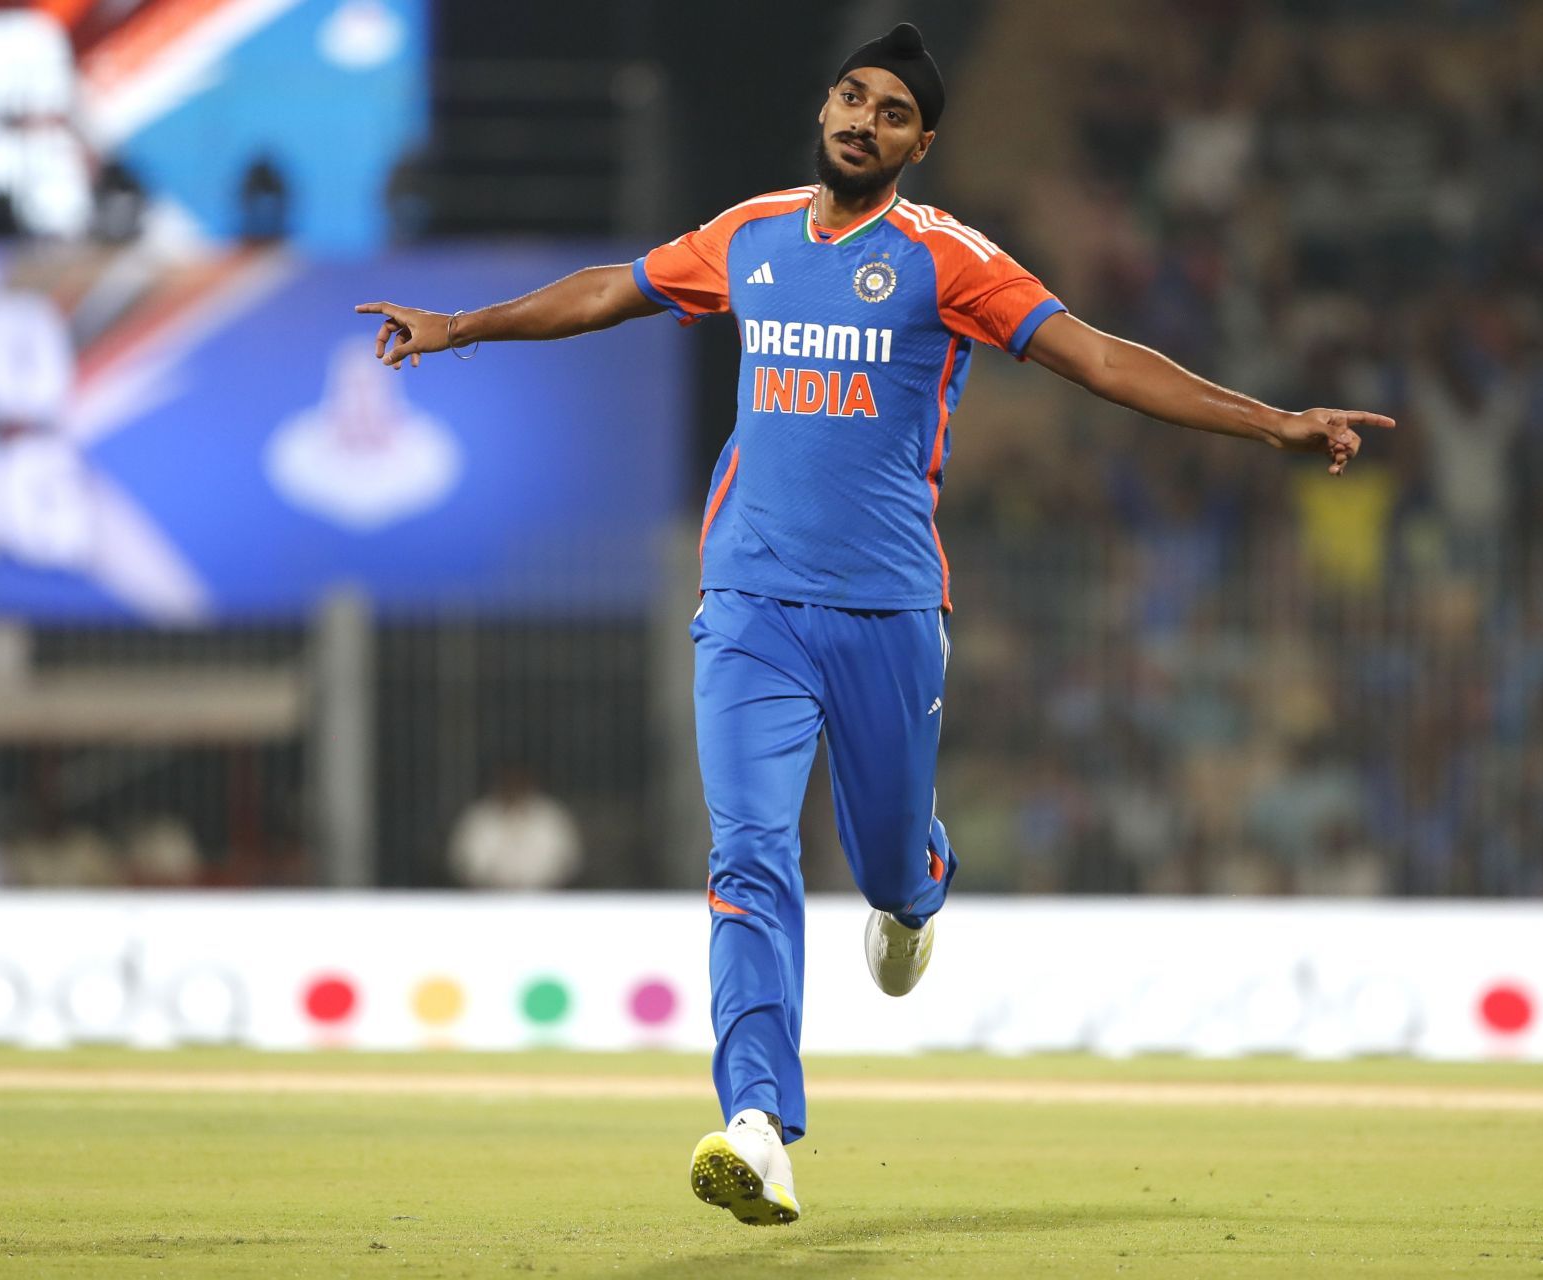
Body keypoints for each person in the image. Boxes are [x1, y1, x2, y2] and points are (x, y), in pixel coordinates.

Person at [354, 22, 1393, 1227]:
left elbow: (1100, 359)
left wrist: (1268, 423)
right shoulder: (749, 234)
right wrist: (463, 325)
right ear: (828, 109)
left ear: (920, 142)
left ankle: (917, 889)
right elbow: (613, 289)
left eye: (890, 112)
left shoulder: (946, 259)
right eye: (851, 97)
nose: (860, 120)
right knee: (748, 855)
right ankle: (756, 1122)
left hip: (890, 611)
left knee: (888, 862)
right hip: (748, 603)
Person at [446, 767, 584, 891]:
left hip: (544, 900)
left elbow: (568, 861)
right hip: (487, 901)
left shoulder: (553, 816)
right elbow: (463, 863)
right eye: (508, 782)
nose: (514, 787)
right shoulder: (478, 817)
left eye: (520, 782)